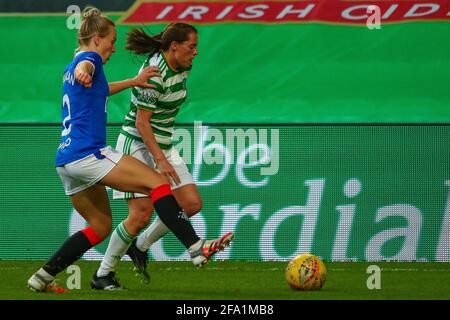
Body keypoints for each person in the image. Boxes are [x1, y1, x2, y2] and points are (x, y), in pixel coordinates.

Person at [27, 7, 233, 293]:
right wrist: (85, 68)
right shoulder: (89, 60)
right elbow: (86, 66)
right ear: (97, 39)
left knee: (99, 226)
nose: (113, 48)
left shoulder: (74, 64)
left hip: (66, 160)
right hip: (90, 153)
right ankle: (196, 247)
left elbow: (97, 85)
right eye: (111, 42)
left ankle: (42, 278)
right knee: (158, 183)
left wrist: (132, 82)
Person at [93, 22, 220, 289]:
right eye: (191, 46)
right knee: (140, 215)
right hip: (139, 144)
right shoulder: (153, 74)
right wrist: (159, 160)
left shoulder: (183, 65)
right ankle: (103, 274)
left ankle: (140, 246)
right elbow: (142, 123)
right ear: (174, 47)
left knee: (191, 204)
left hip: (163, 143)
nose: (196, 52)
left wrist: (164, 154)